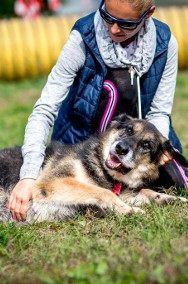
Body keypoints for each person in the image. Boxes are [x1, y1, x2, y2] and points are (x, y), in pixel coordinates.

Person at [9, 0, 184, 221]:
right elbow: (44, 109)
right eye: (107, 16)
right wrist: (29, 175)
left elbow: (159, 111)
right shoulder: (82, 37)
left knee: (177, 183)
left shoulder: (165, 43)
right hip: (81, 143)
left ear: (148, 14)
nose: (113, 29)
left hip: (137, 141)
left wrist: (160, 146)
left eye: (125, 24)